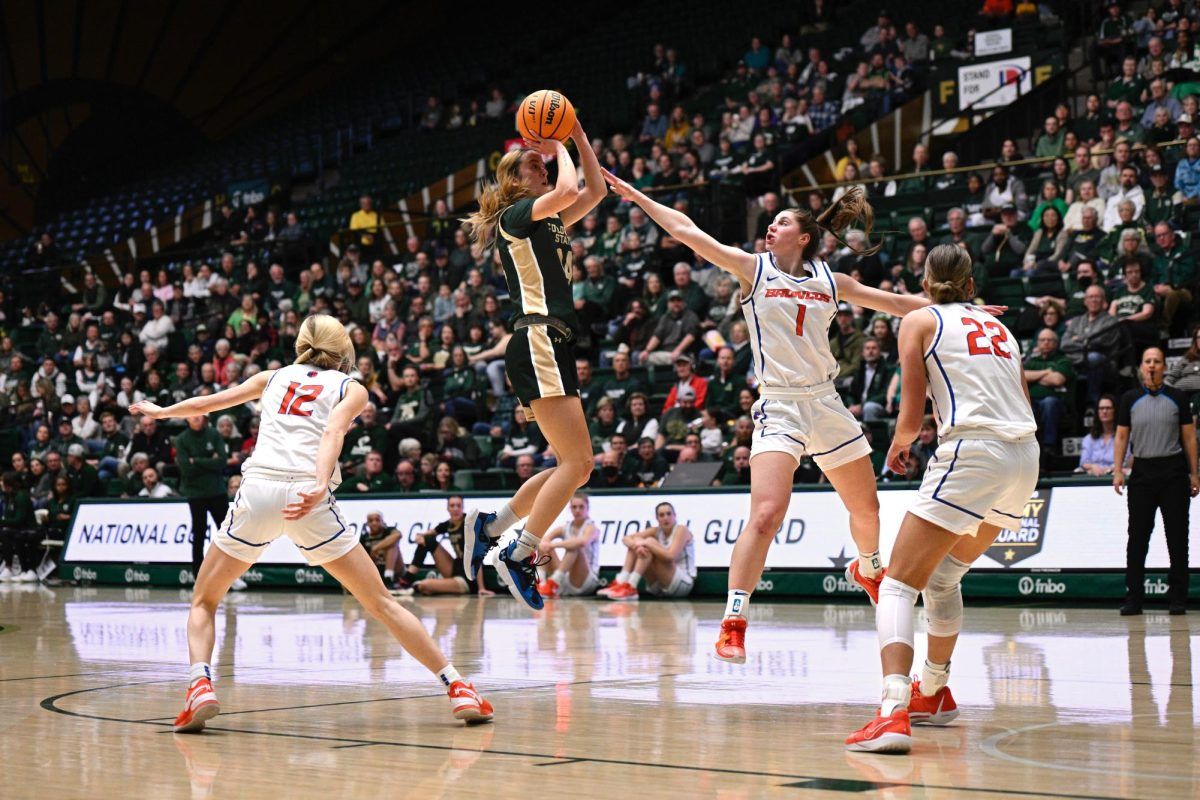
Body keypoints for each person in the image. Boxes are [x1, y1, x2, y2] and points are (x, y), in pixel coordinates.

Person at [601, 171, 1005, 664]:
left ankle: (869, 568)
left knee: (867, 511)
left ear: (805, 236)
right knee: (766, 514)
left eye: (783, 221)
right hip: (780, 404)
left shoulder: (831, 280)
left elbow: (898, 303)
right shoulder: (754, 270)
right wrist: (636, 194)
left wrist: (966, 311)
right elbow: (687, 231)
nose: (772, 227)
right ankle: (733, 620)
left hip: (827, 403)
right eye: (772, 221)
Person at [128, 314, 492, 732]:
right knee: (382, 603)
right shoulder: (352, 387)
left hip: (260, 490)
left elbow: (210, 402)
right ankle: (457, 686)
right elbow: (333, 431)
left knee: (204, 601)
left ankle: (200, 686)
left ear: (302, 344)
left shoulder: (273, 376)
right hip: (307, 495)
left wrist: (161, 412)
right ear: (343, 351)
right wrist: (320, 483)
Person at [845, 245, 1039, 754]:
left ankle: (892, 711)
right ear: (971, 285)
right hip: (1026, 458)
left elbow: (910, 418)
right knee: (945, 575)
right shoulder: (1000, 327)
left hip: (974, 451)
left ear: (923, 282)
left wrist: (898, 445)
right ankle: (931, 690)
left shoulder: (919, 322)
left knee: (897, 584)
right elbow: (1020, 394)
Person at [460, 117, 606, 611]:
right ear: (515, 182)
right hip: (539, 335)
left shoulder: (547, 220)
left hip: (548, 341)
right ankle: (518, 552)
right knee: (578, 463)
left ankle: (491, 527)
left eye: (539, 159)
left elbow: (595, 190)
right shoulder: (517, 215)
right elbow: (569, 187)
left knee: (574, 466)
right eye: (530, 162)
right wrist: (560, 143)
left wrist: (578, 137)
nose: (539, 162)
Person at [1113, 347, 1197, 616]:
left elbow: (1189, 438)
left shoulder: (1178, 398)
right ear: (1141, 366)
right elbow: (1121, 437)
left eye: (1157, 362)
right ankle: (1134, 598)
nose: (1152, 366)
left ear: (1164, 366)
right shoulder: (1129, 398)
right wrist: (1117, 470)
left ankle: (1178, 599)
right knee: (1137, 538)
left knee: (1177, 538)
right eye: (1147, 361)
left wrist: (1194, 473)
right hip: (1142, 474)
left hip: (1173, 472)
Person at [175, 414, 244, 588]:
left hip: (216, 490)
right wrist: (208, 461)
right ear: (187, 419)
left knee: (226, 532)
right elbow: (185, 468)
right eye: (192, 416)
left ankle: (232, 575)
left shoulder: (213, 434)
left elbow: (221, 462)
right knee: (198, 534)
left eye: (199, 415)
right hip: (195, 492)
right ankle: (198, 577)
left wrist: (196, 460)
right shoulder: (182, 439)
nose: (196, 418)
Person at [602, 501, 695, 601]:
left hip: (683, 584)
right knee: (639, 543)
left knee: (648, 542)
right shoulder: (655, 531)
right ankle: (621, 582)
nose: (666, 518)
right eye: (661, 515)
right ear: (657, 518)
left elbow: (670, 557)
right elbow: (626, 538)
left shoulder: (682, 530)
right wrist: (637, 545)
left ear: (675, 516)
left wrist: (647, 543)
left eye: (669, 514)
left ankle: (631, 585)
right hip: (659, 586)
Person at [535, 493, 601, 598]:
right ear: (570, 509)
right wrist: (545, 545)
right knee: (543, 544)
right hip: (565, 577)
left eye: (581, 507)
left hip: (586, 581)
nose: (577, 510)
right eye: (574, 507)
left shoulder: (592, 528)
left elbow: (582, 542)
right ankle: (541, 582)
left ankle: (553, 582)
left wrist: (554, 545)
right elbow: (544, 539)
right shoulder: (565, 527)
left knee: (575, 545)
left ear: (587, 508)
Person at [1079, 394, 1125, 476]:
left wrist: (1109, 469)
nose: (1104, 411)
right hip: (1092, 477)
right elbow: (1084, 462)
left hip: (1115, 476)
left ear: (1115, 410)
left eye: (1108, 408)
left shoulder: (1123, 436)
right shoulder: (1088, 439)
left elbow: (1125, 461)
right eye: (1101, 408)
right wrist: (1093, 467)